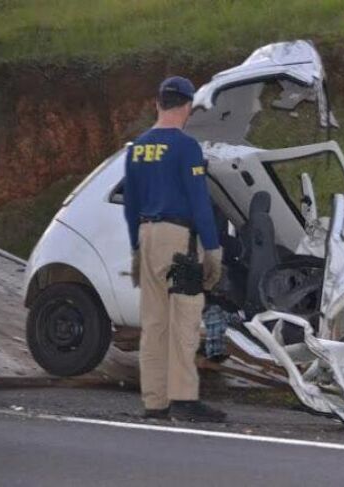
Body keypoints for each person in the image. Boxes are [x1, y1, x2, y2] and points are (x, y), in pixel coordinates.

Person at [124, 76, 225, 422]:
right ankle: (183, 399)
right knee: (184, 317)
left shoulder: (137, 148)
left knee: (153, 324)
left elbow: (130, 204)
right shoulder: (186, 148)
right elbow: (200, 203)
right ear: (186, 107)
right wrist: (212, 249)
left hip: (147, 236)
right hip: (178, 241)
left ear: (157, 104)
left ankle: (155, 402)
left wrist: (136, 248)